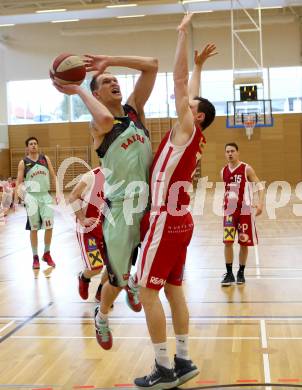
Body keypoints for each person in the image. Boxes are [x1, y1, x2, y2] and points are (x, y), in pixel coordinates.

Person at [53, 53, 158, 350]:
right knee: (117, 279)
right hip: (121, 211)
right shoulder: (99, 126)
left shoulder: (134, 111)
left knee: (150, 264)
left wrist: (110, 60)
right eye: (107, 81)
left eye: (116, 80)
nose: (115, 82)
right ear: (96, 93)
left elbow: (152, 65)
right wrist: (77, 89)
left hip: (150, 205)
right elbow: (104, 117)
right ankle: (102, 315)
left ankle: (133, 283)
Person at [134, 14, 216, 389]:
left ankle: (164, 368)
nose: (184, 101)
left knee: (147, 291)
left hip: (165, 219)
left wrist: (182, 37)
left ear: (195, 115)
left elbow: (181, 83)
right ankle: (183, 359)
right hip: (181, 223)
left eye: (190, 104)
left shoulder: (187, 127)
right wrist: (199, 65)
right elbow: (192, 88)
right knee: (173, 289)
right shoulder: (192, 130)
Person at [221, 142, 264, 286]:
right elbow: (226, 190)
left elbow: (260, 186)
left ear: (238, 152)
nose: (230, 154)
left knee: (243, 243)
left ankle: (241, 272)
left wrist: (260, 203)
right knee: (227, 242)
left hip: (244, 212)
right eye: (227, 151)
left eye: (232, 151)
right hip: (229, 212)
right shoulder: (223, 171)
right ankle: (229, 273)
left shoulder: (246, 169)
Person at [14, 137, 58, 269]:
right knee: (34, 229)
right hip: (31, 197)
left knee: (49, 226)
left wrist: (58, 193)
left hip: (45, 195)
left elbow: (53, 175)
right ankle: (35, 257)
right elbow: (19, 181)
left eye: (35, 144)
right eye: (30, 144)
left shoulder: (45, 158)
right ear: (27, 147)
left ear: (38, 146)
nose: (33, 146)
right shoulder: (23, 162)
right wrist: (17, 197)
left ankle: (47, 253)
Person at [68, 166, 108, 301]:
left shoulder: (120, 176)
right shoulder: (93, 175)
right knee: (96, 267)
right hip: (89, 231)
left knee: (115, 266)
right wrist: (82, 218)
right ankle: (83, 277)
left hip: (109, 230)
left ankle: (102, 291)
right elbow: (72, 195)